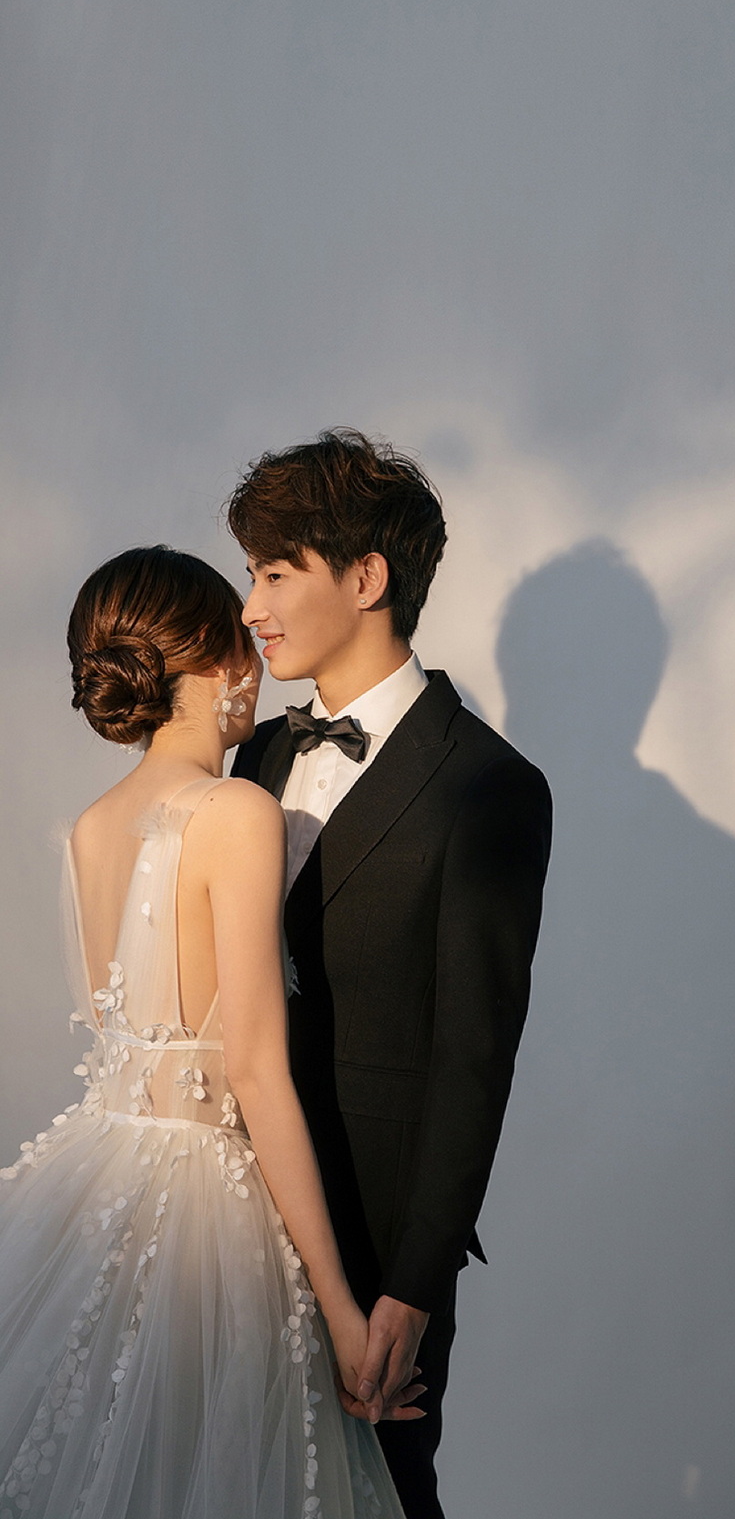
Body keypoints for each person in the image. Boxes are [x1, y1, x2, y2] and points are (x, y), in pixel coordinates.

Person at [0, 545, 415, 1519]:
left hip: (92, 1180)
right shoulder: (235, 809)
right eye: (242, 633)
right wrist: (343, 1313)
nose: (258, 660)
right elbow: (257, 1073)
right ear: (210, 655)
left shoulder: (91, 825)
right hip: (198, 1212)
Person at [228, 428, 552, 1519]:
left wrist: (416, 1283)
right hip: (230, 1211)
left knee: (379, 1493)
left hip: (376, 1230)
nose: (251, 607)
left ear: (365, 578)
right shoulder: (259, 755)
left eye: (274, 573)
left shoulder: (489, 785)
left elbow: (474, 1055)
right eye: (250, 574)